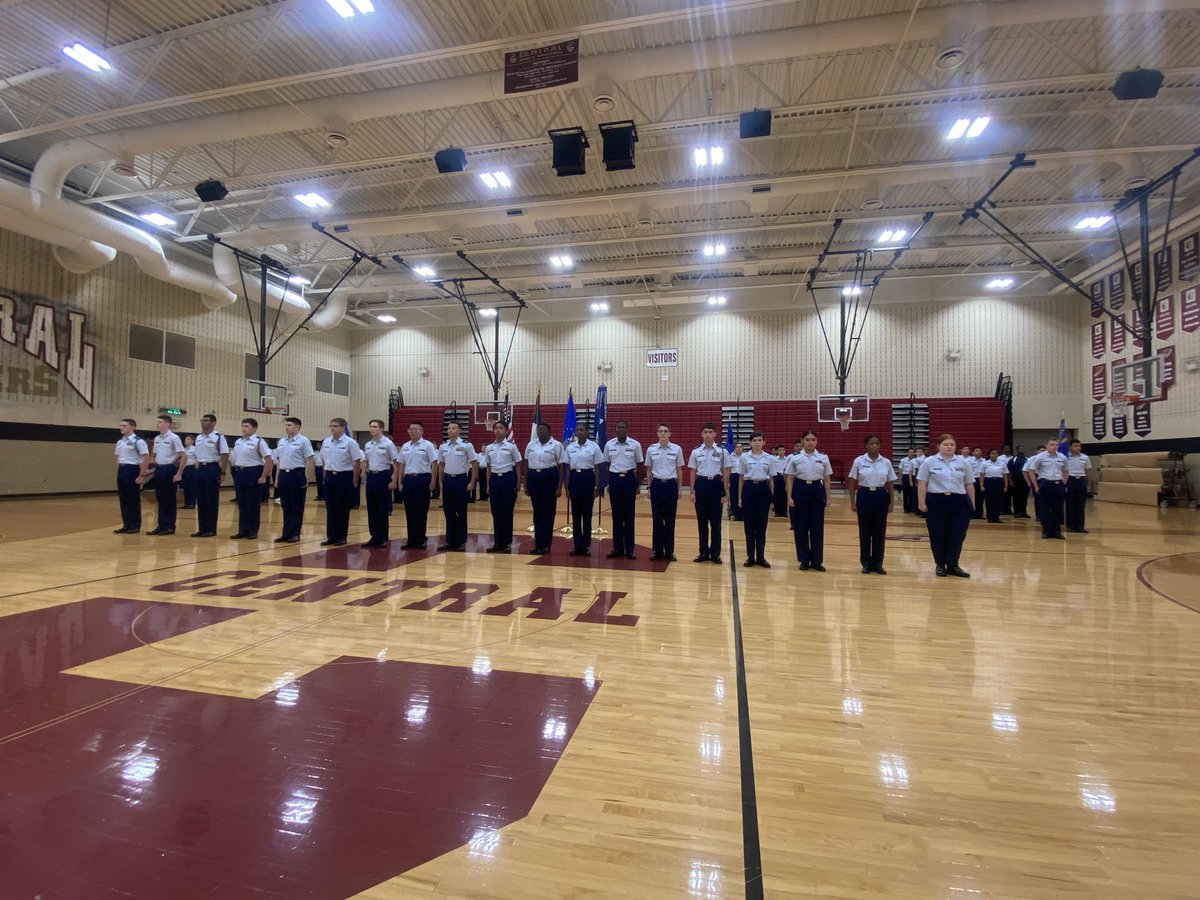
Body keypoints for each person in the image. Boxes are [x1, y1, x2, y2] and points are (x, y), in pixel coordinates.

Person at [917, 433, 974, 577]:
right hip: (937, 501)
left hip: (959, 501)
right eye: (946, 444)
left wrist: (972, 504)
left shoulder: (963, 462)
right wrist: (921, 502)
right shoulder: (929, 462)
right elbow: (922, 483)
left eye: (952, 444)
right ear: (938, 446)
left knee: (957, 534)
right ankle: (940, 564)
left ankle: (953, 565)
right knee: (938, 534)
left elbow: (969, 484)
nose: (949, 447)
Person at [847, 433, 898, 575]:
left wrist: (892, 502)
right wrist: (853, 501)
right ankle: (866, 563)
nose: (874, 446)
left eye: (877, 443)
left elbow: (891, 482)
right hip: (864, 494)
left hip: (881, 495)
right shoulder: (859, 461)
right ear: (866, 445)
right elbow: (852, 481)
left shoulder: (886, 462)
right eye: (871, 443)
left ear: (880, 445)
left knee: (880, 532)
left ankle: (878, 563)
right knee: (865, 531)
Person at [784, 431, 832, 572]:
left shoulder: (823, 457)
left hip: (817, 489)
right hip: (800, 489)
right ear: (802, 441)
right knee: (801, 527)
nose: (810, 442)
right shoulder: (795, 458)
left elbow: (827, 479)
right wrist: (789, 497)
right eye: (807, 439)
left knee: (817, 527)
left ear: (816, 441)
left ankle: (817, 561)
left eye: (813, 439)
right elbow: (790, 478)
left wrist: (828, 498)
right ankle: (804, 560)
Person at [688, 423, 731, 564]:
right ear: (702, 434)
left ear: (715, 434)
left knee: (716, 523)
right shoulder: (696, 451)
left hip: (716, 485)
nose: (707, 434)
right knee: (702, 522)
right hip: (701, 485)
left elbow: (725, 472)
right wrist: (692, 491)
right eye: (705, 432)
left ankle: (715, 554)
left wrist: (725, 493)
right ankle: (704, 552)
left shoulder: (722, 451)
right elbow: (693, 472)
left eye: (710, 432)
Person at [603, 420, 645, 560]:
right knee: (616, 516)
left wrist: (638, 484)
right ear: (615, 429)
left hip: (628, 480)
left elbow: (640, 465)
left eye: (622, 427)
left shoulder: (635, 445)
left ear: (627, 429)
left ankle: (630, 549)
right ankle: (617, 548)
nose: (620, 429)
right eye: (618, 427)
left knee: (628, 516)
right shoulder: (609, 444)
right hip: (615, 480)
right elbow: (607, 463)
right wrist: (609, 483)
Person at [319, 418, 363, 546]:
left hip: (344, 476)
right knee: (330, 508)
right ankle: (331, 536)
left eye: (336, 426)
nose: (332, 428)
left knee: (342, 507)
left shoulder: (350, 442)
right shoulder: (326, 441)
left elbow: (356, 462)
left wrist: (354, 479)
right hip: (329, 477)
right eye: (331, 426)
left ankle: (341, 536)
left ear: (343, 427)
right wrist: (324, 476)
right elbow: (323, 460)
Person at [436, 421, 478, 551]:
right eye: (449, 428)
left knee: (461, 512)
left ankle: (460, 541)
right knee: (448, 512)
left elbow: (474, 463)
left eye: (453, 428)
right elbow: (441, 465)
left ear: (460, 430)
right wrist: (441, 482)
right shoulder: (443, 446)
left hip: (461, 480)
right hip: (448, 480)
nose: (450, 430)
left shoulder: (467, 445)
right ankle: (449, 540)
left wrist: (472, 482)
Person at [229, 418, 273, 539]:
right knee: (242, 504)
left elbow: (269, 459)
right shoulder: (238, 441)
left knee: (252, 504)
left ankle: (253, 530)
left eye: (246, 426)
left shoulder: (259, 442)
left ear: (254, 428)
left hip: (253, 472)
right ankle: (242, 530)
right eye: (242, 426)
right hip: (240, 472)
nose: (243, 428)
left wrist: (264, 476)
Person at [645, 423, 685, 562]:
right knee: (657, 520)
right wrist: (649, 488)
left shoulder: (676, 449)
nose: (663, 433)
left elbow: (679, 470)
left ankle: (669, 551)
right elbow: (648, 470)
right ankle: (657, 551)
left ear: (670, 434)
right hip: (656, 485)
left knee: (670, 520)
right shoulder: (651, 449)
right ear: (657, 434)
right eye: (660, 431)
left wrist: (679, 489)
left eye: (665, 431)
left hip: (670, 485)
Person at [523, 423, 564, 555]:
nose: (540, 431)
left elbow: (561, 466)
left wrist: (559, 486)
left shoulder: (556, 445)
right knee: (537, 512)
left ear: (549, 431)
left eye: (543, 429)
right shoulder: (531, 445)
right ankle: (538, 543)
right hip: (534, 477)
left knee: (548, 512)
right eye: (538, 429)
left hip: (549, 476)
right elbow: (526, 464)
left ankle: (546, 544)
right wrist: (526, 483)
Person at [397, 421, 439, 550]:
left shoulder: (427, 446)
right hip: (408, 479)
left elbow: (434, 464)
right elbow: (401, 465)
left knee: (421, 510)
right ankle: (411, 539)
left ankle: (421, 538)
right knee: (409, 511)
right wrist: (399, 481)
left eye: (415, 429)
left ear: (422, 431)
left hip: (422, 479)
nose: (412, 431)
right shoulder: (405, 446)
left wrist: (432, 482)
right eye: (410, 429)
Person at [564, 421, 603, 556]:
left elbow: (598, 468)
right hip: (575, 478)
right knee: (575, 514)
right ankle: (577, 545)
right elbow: (567, 468)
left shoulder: (594, 447)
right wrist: (567, 486)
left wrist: (597, 487)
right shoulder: (570, 447)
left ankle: (586, 545)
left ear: (587, 431)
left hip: (588, 478)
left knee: (587, 514)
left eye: (582, 430)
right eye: (577, 430)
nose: (579, 432)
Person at [737, 432, 776, 568]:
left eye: (760, 440)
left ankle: (761, 557)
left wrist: (771, 499)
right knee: (749, 526)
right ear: (750, 442)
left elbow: (771, 480)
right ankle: (750, 558)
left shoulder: (770, 458)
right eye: (755, 440)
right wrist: (740, 498)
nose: (757, 443)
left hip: (763, 490)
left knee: (761, 526)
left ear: (764, 442)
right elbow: (741, 478)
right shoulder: (744, 458)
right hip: (749, 489)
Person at [273, 416, 314, 543]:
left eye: (289, 425)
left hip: (297, 474)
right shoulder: (282, 441)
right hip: (284, 475)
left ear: (297, 427)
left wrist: (306, 477)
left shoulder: (303, 441)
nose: (287, 427)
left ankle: (295, 533)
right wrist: (277, 478)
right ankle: (286, 533)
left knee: (296, 506)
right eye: (286, 425)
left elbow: (309, 459)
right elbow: (279, 460)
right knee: (286, 506)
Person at [361, 419, 400, 548]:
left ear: (381, 429)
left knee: (382, 508)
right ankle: (374, 536)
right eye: (370, 426)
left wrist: (394, 480)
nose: (372, 429)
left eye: (375, 427)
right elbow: (366, 461)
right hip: (371, 476)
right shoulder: (368, 444)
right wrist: (363, 474)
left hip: (383, 476)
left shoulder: (388, 444)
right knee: (371, 508)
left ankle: (383, 537)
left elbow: (396, 462)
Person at [484, 420, 522, 553]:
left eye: (501, 428)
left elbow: (518, 465)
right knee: (496, 512)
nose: (498, 430)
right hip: (495, 479)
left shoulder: (511, 447)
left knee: (506, 512)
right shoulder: (489, 447)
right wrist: (488, 484)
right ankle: (497, 542)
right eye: (496, 428)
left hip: (507, 478)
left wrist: (517, 484)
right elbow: (488, 467)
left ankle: (506, 543)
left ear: (506, 431)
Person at [190, 414, 229, 538]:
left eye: (206, 420)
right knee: (201, 500)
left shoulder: (219, 437)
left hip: (212, 467)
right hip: (201, 467)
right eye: (202, 420)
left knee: (211, 500)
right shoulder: (199, 437)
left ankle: (211, 529)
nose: (203, 422)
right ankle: (202, 528)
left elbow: (224, 455)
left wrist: (223, 472)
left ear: (213, 423)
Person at [147, 414, 186, 535]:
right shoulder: (157, 438)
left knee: (169, 498)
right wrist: (151, 469)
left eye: (160, 422)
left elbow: (184, 456)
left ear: (168, 424)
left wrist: (179, 473)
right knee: (160, 497)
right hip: (159, 469)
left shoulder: (174, 438)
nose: (157, 424)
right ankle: (161, 525)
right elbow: (155, 456)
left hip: (169, 469)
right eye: (157, 422)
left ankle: (169, 526)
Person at [1027, 439, 1069, 539]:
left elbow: (1066, 470)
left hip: (1058, 484)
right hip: (1045, 483)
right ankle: (1046, 531)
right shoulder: (1040, 457)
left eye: (1056, 444)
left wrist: (1064, 483)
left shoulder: (1062, 457)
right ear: (1046, 445)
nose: (1054, 446)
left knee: (1057, 509)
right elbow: (1031, 471)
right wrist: (1036, 486)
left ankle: (1056, 531)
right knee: (1045, 509)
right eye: (1052, 444)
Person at [113, 418, 149, 534]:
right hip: (122, 469)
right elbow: (118, 456)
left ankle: (135, 525)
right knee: (124, 499)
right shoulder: (120, 441)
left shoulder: (138, 441)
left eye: (124, 425)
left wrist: (141, 474)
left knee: (133, 499)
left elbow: (145, 458)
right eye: (120, 425)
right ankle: (126, 524)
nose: (121, 427)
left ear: (132, 427)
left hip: (132, 469)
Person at [1065, 439, 1094, 533]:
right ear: (1070, 447)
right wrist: (1064, 484)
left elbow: (1088, 471)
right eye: (1075, 446)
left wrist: (1089, 485)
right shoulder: (1065, 457)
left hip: (1081, 480)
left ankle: (1080, 526)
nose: (1078, 448)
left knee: (1081, 505)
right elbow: (1063, 471)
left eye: (1079, 446)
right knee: (1070, 504)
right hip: (1070, 480)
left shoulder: (1085, 457)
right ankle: (1070, 525)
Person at [980, 449, 1010, 524]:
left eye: (995, 454)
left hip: (999, 482)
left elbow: (1005, 475)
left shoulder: (1002, 463)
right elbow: (982, 475)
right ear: (989, 455)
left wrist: (1005, 486)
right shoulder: (985, 463)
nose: (994, 455)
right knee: (989, 500)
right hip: (989, 482)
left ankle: (996, 518)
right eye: (992, 454)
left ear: (998, 455)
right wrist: (982, 485)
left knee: (998, 500)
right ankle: (989, 517)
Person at [1007, 445, 1031, 518]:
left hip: (1025, 481)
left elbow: (1030, 470)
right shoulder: (1013, 459)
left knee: (1024, 497)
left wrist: (1029, 481)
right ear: (1017, 450)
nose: (1022, 449)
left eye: (1023, 448)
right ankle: (1016, 512)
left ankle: (1023, 512)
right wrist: (1011, 481)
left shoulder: (1027, 459)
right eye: (1020, 448)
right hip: (1016, 481)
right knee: (1016, 497)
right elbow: (1009, 472)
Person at [1026, 445, 1046, 522]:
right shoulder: (1032, 459)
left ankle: (1045, 515)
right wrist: (1028, 481)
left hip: (1046, 479)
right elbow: (1025, 470)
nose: (1042, 452)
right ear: (1037, 451)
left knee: (1046, 499)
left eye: (1044, 450)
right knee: (1038, 499)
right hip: (1036, 478)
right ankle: (1039, 516)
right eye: (1041, 450)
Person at [771, 445, 789, 517]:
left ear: (785, 451)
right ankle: (777, 511)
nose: (781, 452)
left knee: (784, 494)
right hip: (777, 477)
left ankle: (784, 512)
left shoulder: (787, 459)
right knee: (777, 494)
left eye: (782, 450)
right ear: (777, 451)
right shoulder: (774, 459)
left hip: (785, 477)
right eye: (780, 450)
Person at [180, 436, 198, 509]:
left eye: (188, 439)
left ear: (192, 441)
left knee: (191, 486)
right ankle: (186, 503)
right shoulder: (184, 449)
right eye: (185, 439)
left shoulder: (194, 449)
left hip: (190, 468)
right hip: (184, 469)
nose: (185, 440)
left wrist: (190, 462)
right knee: (185, 486)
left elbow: (198, 458)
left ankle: (192, 503)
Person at [728, 442, 744, 521]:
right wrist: (728, 481)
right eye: (737, 447)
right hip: (734, 477)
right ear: (734, 448)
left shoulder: (745, 457)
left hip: (744, 478)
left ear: (742, 448)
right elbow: (728, 470)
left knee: (743, 496)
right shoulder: (730, 457)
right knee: (734, 496)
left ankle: (743, 515)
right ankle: (735, 514)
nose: (739, 448)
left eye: (740, 447)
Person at [900, 448, 917, 514]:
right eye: (910, 452)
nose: (911, 453)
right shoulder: (903, 460)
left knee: (912, 493)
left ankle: (912, 508)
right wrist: (900, 479)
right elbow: (900, 470)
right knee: (905, 493)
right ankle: (906, 508)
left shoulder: (916, 461)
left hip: (912, 477)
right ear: (907, 453)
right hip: (905, 477)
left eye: (913, 452)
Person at [970, 447, 986, 520]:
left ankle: (980, 514)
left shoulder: (984, 460)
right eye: (976, 450)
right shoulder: (969, 460)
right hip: (972, 480)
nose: (978, 452)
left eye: (980, 450)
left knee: (981, 498)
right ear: (972, 452)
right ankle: (972, 513)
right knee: (972, 497)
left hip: (981, 479)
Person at [912, 446, 928, 518]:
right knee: (918, 495)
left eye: (921, 451)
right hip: (920, 478)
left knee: (926, 496)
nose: (920, 452)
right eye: (918, 451)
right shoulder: (917, 460)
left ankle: (925, 512)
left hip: (927, 479)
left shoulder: (927, 459)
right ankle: (919, 511)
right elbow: (916, 470)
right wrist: (916, 481)